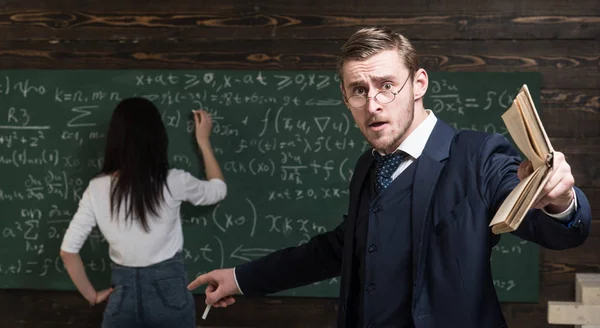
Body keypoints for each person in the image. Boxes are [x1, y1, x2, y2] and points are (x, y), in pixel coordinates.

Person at [187, 27, 592, 328]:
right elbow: (337, 250)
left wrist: (559, 200)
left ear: (418, 84)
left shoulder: (477, 155)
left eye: (386, 86)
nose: (373, 104)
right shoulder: (369, 166)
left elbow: (561, 230)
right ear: (346, 99)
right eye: (358, 90)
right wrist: (240, 278)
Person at [59, 97, 227, 328]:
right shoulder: (172, 181)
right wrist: (203, 141)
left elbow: (68, 252)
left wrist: (91, 295)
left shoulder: (97, 188)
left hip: (122, 295)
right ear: (157, 136)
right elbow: (218, 190)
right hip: (170, 291)